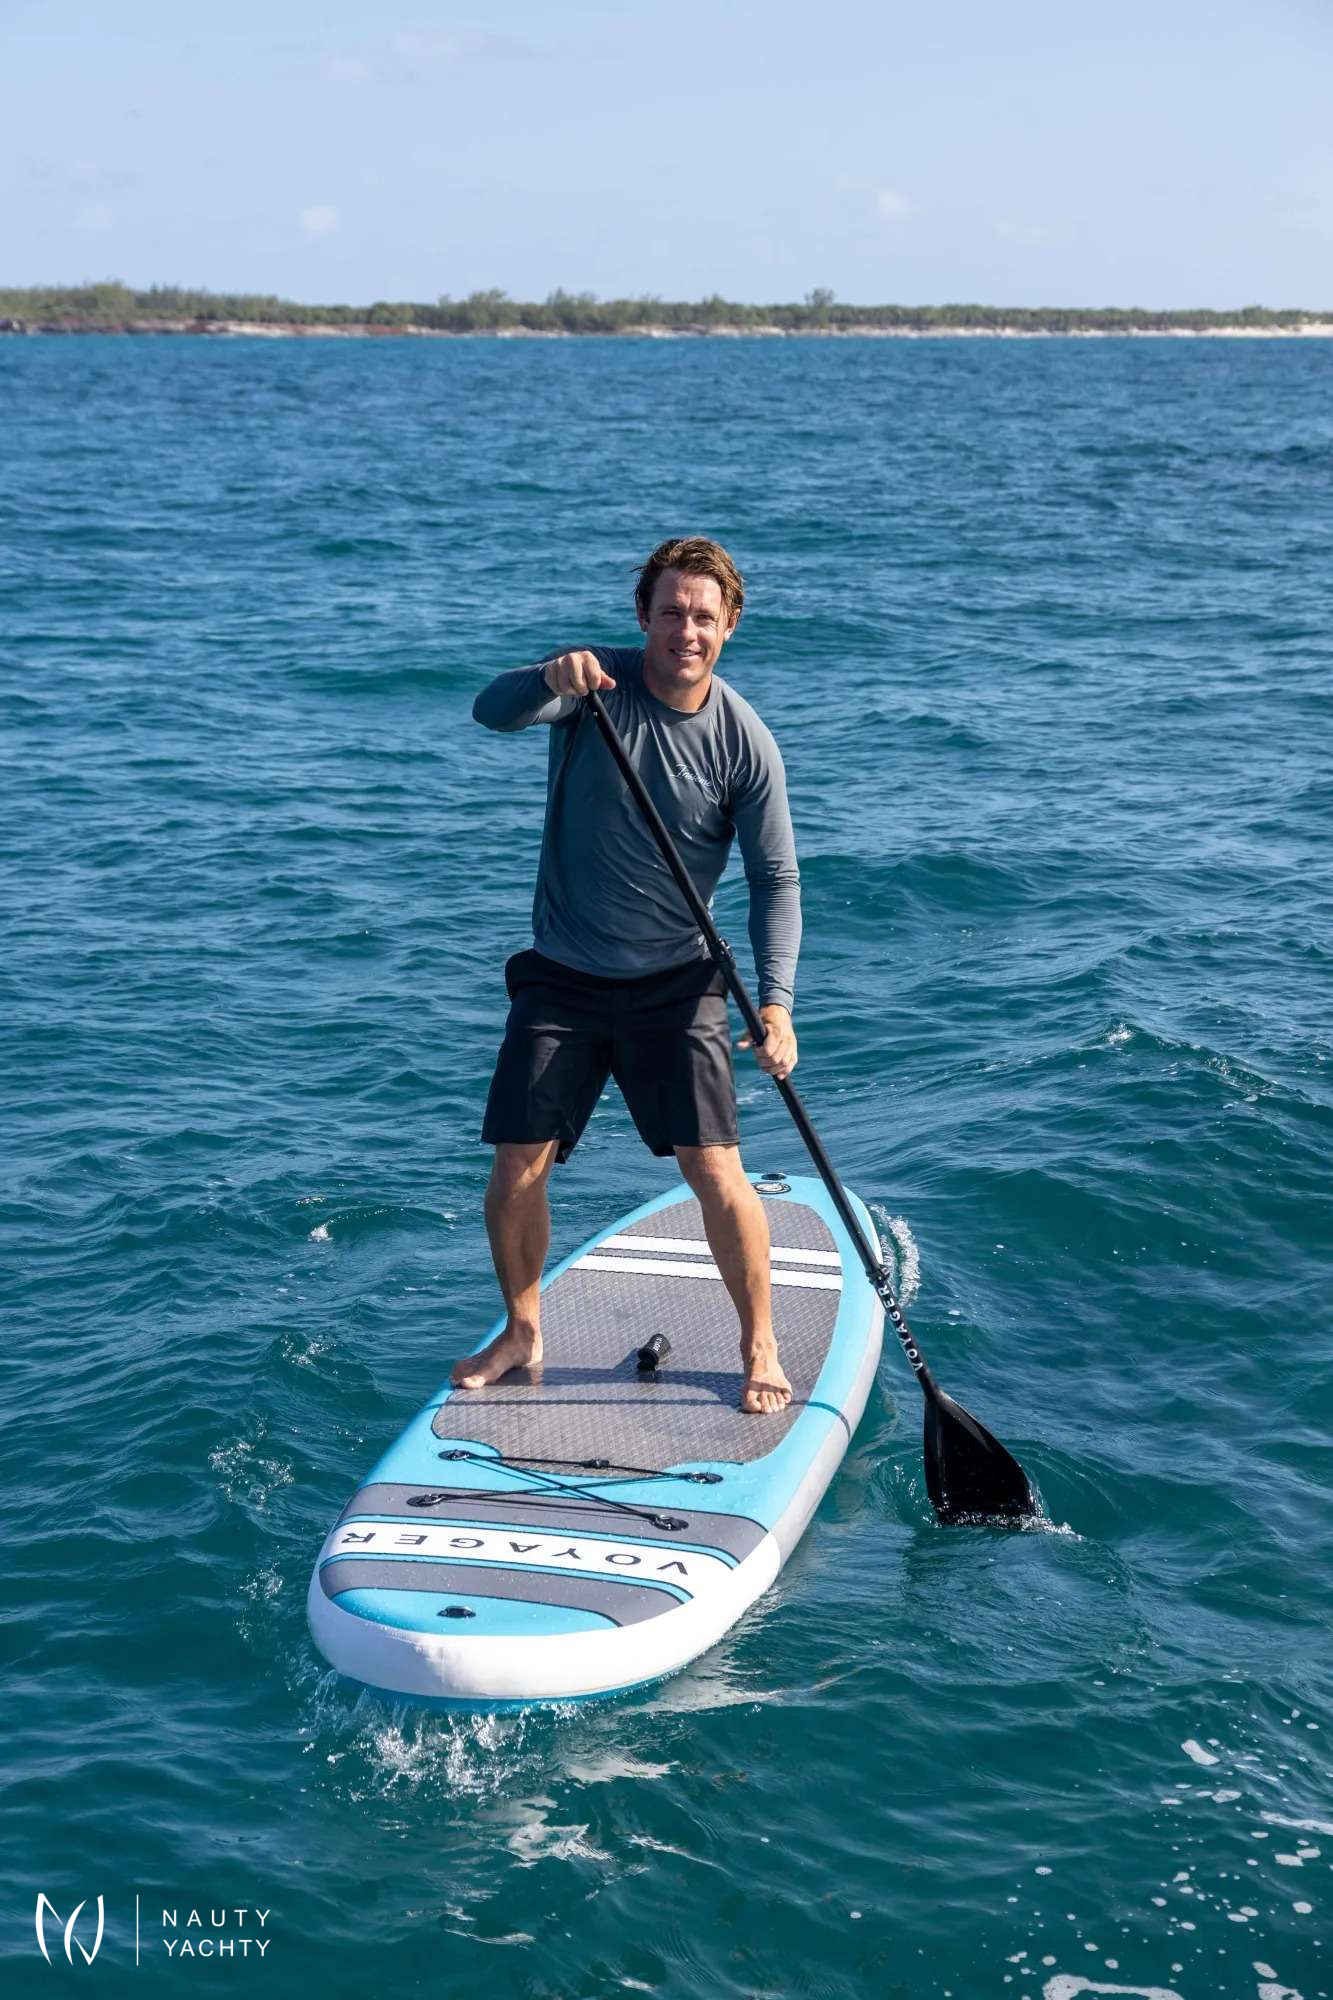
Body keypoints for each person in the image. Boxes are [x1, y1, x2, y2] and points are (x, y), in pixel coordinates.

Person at [456, 536, 802, 1414]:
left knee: (713, 1168)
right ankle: (522, 1330)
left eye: (703, 616)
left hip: (675, 984)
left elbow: (774, 881)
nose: (686, 630)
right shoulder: (591, 688)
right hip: (563, 975)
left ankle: (758, 1342)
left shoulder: (744, 742)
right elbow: (491, 711)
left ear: (729, 625)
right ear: (642, 615)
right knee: (516, 1166)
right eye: (670, 612)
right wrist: (547, 676)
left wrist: (775, 1004)